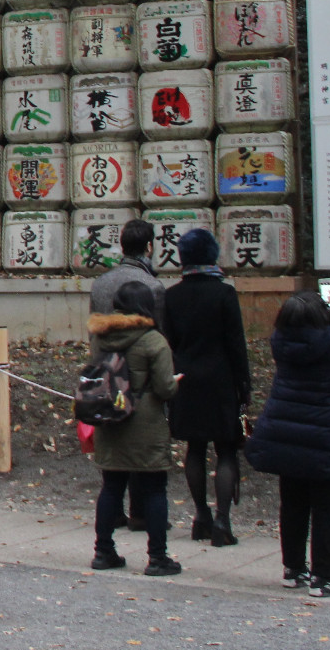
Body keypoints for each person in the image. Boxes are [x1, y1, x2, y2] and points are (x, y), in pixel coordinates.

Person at [246, 287, 330, 597]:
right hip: (329, 436)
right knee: (328, 509)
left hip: (289, 434)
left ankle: (294, 568)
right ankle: (324, 575)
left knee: (292, 504)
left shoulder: (281, 341)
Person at [161, 227, 251, 548]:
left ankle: (201, 516)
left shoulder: (171, 296)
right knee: (226, 449)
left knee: (195, 448)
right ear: (212, 254)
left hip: (186, 379)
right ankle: (223, 521)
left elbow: (168, 341)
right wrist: (245, 385)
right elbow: (236, 345)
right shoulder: (224, 294)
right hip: (221, 380)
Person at [87, 280, 181, 575]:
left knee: (111, 487)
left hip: (111, 419)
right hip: (146, 422)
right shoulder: (153, 340)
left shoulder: (101, 337)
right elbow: (165, 388)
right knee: (154, 488)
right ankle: (157, 557)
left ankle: (103, 552)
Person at [89, 218, 169, 532]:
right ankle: (145, 524)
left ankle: (108, 538)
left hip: (108, 380)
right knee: (148, 467)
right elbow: (160, 334)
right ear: (149, 246)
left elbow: (93, 329)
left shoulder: (101, 283)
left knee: (111, 475)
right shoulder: (153, 287)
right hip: (143, 383)